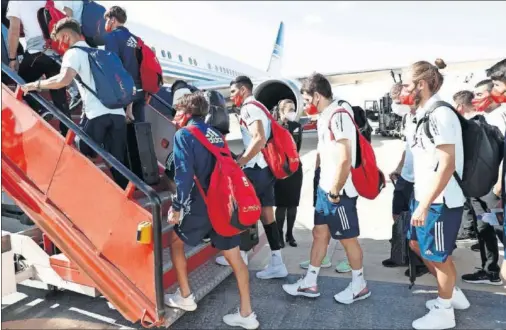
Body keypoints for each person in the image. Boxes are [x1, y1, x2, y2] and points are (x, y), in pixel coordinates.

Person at [165, 92, 259, 330]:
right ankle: (247, 313)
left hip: (201, 204)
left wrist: (177, 207)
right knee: (234, 257)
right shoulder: (215, 134)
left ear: (186, 114)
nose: (175, 116)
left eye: (177, 111)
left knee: (175, 241)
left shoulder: (183, 134)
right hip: (225, 204)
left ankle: (185, 296)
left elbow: (183, 175)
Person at [283, 73, 370, 304]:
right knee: (319, 233)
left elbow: (344, 158)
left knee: (348, 239)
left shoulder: (339, 114)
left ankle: (359, 285)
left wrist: (335, 189)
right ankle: (309, 282)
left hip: (338, 191)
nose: (305, 105)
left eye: (306, 99)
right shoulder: (326, 114)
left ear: (318, 96)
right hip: (326, 187)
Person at [399, 59, 470, 329]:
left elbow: (447, 163)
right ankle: (452, 293)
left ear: (421, 84)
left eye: (407, 85)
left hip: (440, 200)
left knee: (439, 256)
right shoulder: (423, 113)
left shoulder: (440, 113)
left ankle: (444, 311)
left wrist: (425, 204)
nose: (403, 90)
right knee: (418, 245)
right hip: (426, 197)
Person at [20, 18, 128, 189]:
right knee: (118, 164)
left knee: (78, 150)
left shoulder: (74, 53)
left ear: (66, 36)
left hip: (98, 115)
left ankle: (86, 191)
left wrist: (35, 85)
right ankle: (131, 204)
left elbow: (64, 79)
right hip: (118, 115)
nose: (59, 45)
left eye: (59, 39)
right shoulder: (97, 52)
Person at [215, 76, 288, 281]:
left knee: (242, 209)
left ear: (243, 90)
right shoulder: (260, 107)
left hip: (255, 168)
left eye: (233, 92)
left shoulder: (249, 108)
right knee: (266, 214)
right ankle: (277, 261)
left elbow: (259, 138)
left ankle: (242, 255)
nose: (231, 97)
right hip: (265, 169)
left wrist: (241, 161)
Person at [382, 83, 430, 277]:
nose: (396, 105)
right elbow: (408, 148)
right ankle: (400, 254)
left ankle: (419, 262)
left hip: (420, 181)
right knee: (397, 216)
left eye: (397, 101)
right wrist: (399, 168)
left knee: (416, 222)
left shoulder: (425, 115)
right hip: (405, 177)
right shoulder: (408, 119)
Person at [6, 0, 70, 133]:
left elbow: (14, 30)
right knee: (60, 97)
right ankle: (68, 134)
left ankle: (41, 108)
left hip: (37, 53)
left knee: (21, 83)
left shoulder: (16, 2)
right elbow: (68, 15)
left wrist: (12, 58)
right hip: (57, 53)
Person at [272, 99, 303, 248]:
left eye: (293, 109)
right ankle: (279, 234)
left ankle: (289, 234)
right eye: (289, 109)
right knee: (281, 205)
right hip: (280, 169)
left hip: (295, 168)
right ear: (281, 111)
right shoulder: (274, 127)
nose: (292, 112)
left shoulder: (296, 126)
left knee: (293, 204)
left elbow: (298, 147)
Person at [103, 6, 142, 123]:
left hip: (121, 91)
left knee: (117, 131)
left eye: (107, 20)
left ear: (112, 20)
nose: (106, 23)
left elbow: (112, 64)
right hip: (138, 91)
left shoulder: (112, 36)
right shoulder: (136, 39)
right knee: (137, 134)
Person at [55, 0, 84, 111]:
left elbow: (68, 15)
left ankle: (75, 92)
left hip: (72, 37)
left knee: (67, 65)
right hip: (81, 35)